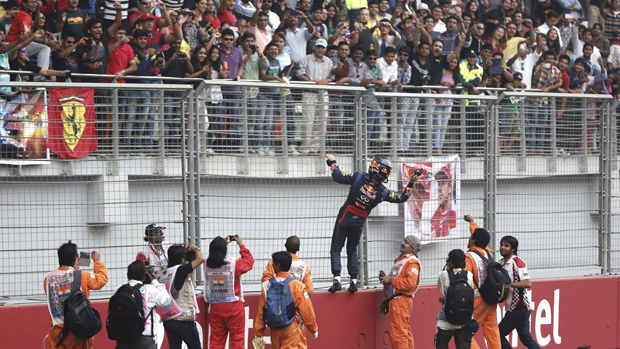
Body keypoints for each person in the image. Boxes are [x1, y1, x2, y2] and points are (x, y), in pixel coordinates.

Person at [325, 154, 420, 293]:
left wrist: (332, 162)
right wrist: (411, 182)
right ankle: (354, 281)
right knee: (352, 250)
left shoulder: (358, 177)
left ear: (374, 167)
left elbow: (337, 176)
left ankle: (337, 279)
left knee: (336, 248)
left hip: (344, 218)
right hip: (359, 223)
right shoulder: (383, 192)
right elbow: (403, 197)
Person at [44, 241, 108, 348]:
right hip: (78, 332)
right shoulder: (82, 275)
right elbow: (102, 279)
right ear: (75, 258)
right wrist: (96, 261)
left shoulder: (48, 279)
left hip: (57, 333)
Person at [254, 251, 319, 349]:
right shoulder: (298, 285)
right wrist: (313, 329)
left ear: (278, 266)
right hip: (291, 328)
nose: (272, 266)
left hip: (274, 330)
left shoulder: (266, 285)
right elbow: (306, 310)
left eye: (273, 264)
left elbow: (261, 311)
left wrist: (259, 333)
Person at [204, 235, 254, 349]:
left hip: (216, 307)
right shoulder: (234, 263)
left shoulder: (206, 264)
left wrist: (221, 246)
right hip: (234, 308)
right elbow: (249, 262)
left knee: (216, 342)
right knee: (237, 341)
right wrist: (241, 245)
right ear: (224, 250)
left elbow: (215, 256)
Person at [114, 261, 171, 349]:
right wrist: (154, 281)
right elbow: (166, 301)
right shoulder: (149, 290)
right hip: (144, 339)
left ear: (127, 275)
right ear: (144, 277)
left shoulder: (119, 290)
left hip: (123, 339)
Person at [463, 215, 501, 349]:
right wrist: (472, 222)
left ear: (473, 240)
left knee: (465, 333)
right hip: (491, 298)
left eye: (471, 236)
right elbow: (481, 236)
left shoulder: (469, 257)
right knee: (492, 332)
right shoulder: (487, 252)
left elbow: (465, 282)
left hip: (477, 301)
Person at [379, 235, 422, 349]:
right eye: (403, 241)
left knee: (399, 334)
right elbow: (399, 280)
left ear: (412, 248)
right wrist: (386, 279)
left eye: (406, 242)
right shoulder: (403, 260)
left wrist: (391, 280)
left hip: (401, 301)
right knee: (404, 333)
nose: (402, 243)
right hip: (397, 300)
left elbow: (409, 283)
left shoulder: (412, 262)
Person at [498, 236, 540, 349]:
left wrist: (509, 285)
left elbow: (528, 283)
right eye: (501, 244)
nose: (502, 247)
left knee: (497, 334)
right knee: (526, 339)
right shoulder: (500, 263)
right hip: (520, 309)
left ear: (513, 249)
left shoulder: (517, 262)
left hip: (518, 308)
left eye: (506, 245)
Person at [160, 244, 204, 349]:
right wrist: (194, 248)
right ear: (182, 259)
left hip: (169, 318)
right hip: (183, 318)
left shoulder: (165, 273)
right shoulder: (180, 270)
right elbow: (201, 258)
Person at [296, 38, 334, 154]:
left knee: (321, 121)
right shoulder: (306, 59)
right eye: (318, 46)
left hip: (323, 93)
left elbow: (332, 76)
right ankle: (304, 148)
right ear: (314, 47)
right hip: (309, 92)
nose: (320, 49)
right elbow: (300, 74)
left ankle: (314, 148)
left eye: (322, 47)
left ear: (325, 49)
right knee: (308, 121)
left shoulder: (329, 61)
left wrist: (327, 80)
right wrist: (312, 82)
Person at [435, 249, 474, 349]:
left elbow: (441, 289)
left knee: (442, 343)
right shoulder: (469, 275)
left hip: (446, 319)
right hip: (464, 319)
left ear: (450, 261)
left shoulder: (443, 275)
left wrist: (448, 266)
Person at [431, 165, 457, 238]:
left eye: (443, 183)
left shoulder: (454, 214)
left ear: (450, 187)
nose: (439, 188)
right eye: (438, 183)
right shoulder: (434, 217)